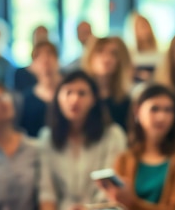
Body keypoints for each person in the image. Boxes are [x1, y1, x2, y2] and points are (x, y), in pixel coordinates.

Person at [97, 84, 175, 210]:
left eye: (168, 110)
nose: (162, 117)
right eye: (154, 109)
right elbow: (115, 205)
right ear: (137, 111)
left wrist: (132, 203)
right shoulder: (124, 158)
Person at [38, 70, 127, 210]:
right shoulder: (47, 137)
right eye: (68, 93)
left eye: (82, 93)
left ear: (93, 99)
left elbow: (113, 189)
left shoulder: (113, 135)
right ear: (58, 98)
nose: (74, 99)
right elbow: (47, 193)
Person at [82, 37, 134, 131]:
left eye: (113, 53)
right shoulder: (80, 95)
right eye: (100, 51)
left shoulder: (125, 100)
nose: (106, 58)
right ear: (90, 57)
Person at [19, 41, 62, 137]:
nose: (45, 59)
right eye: (38, 56)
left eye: (49, 53)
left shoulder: (71, 92)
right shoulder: (26, 99)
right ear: (31, 66)